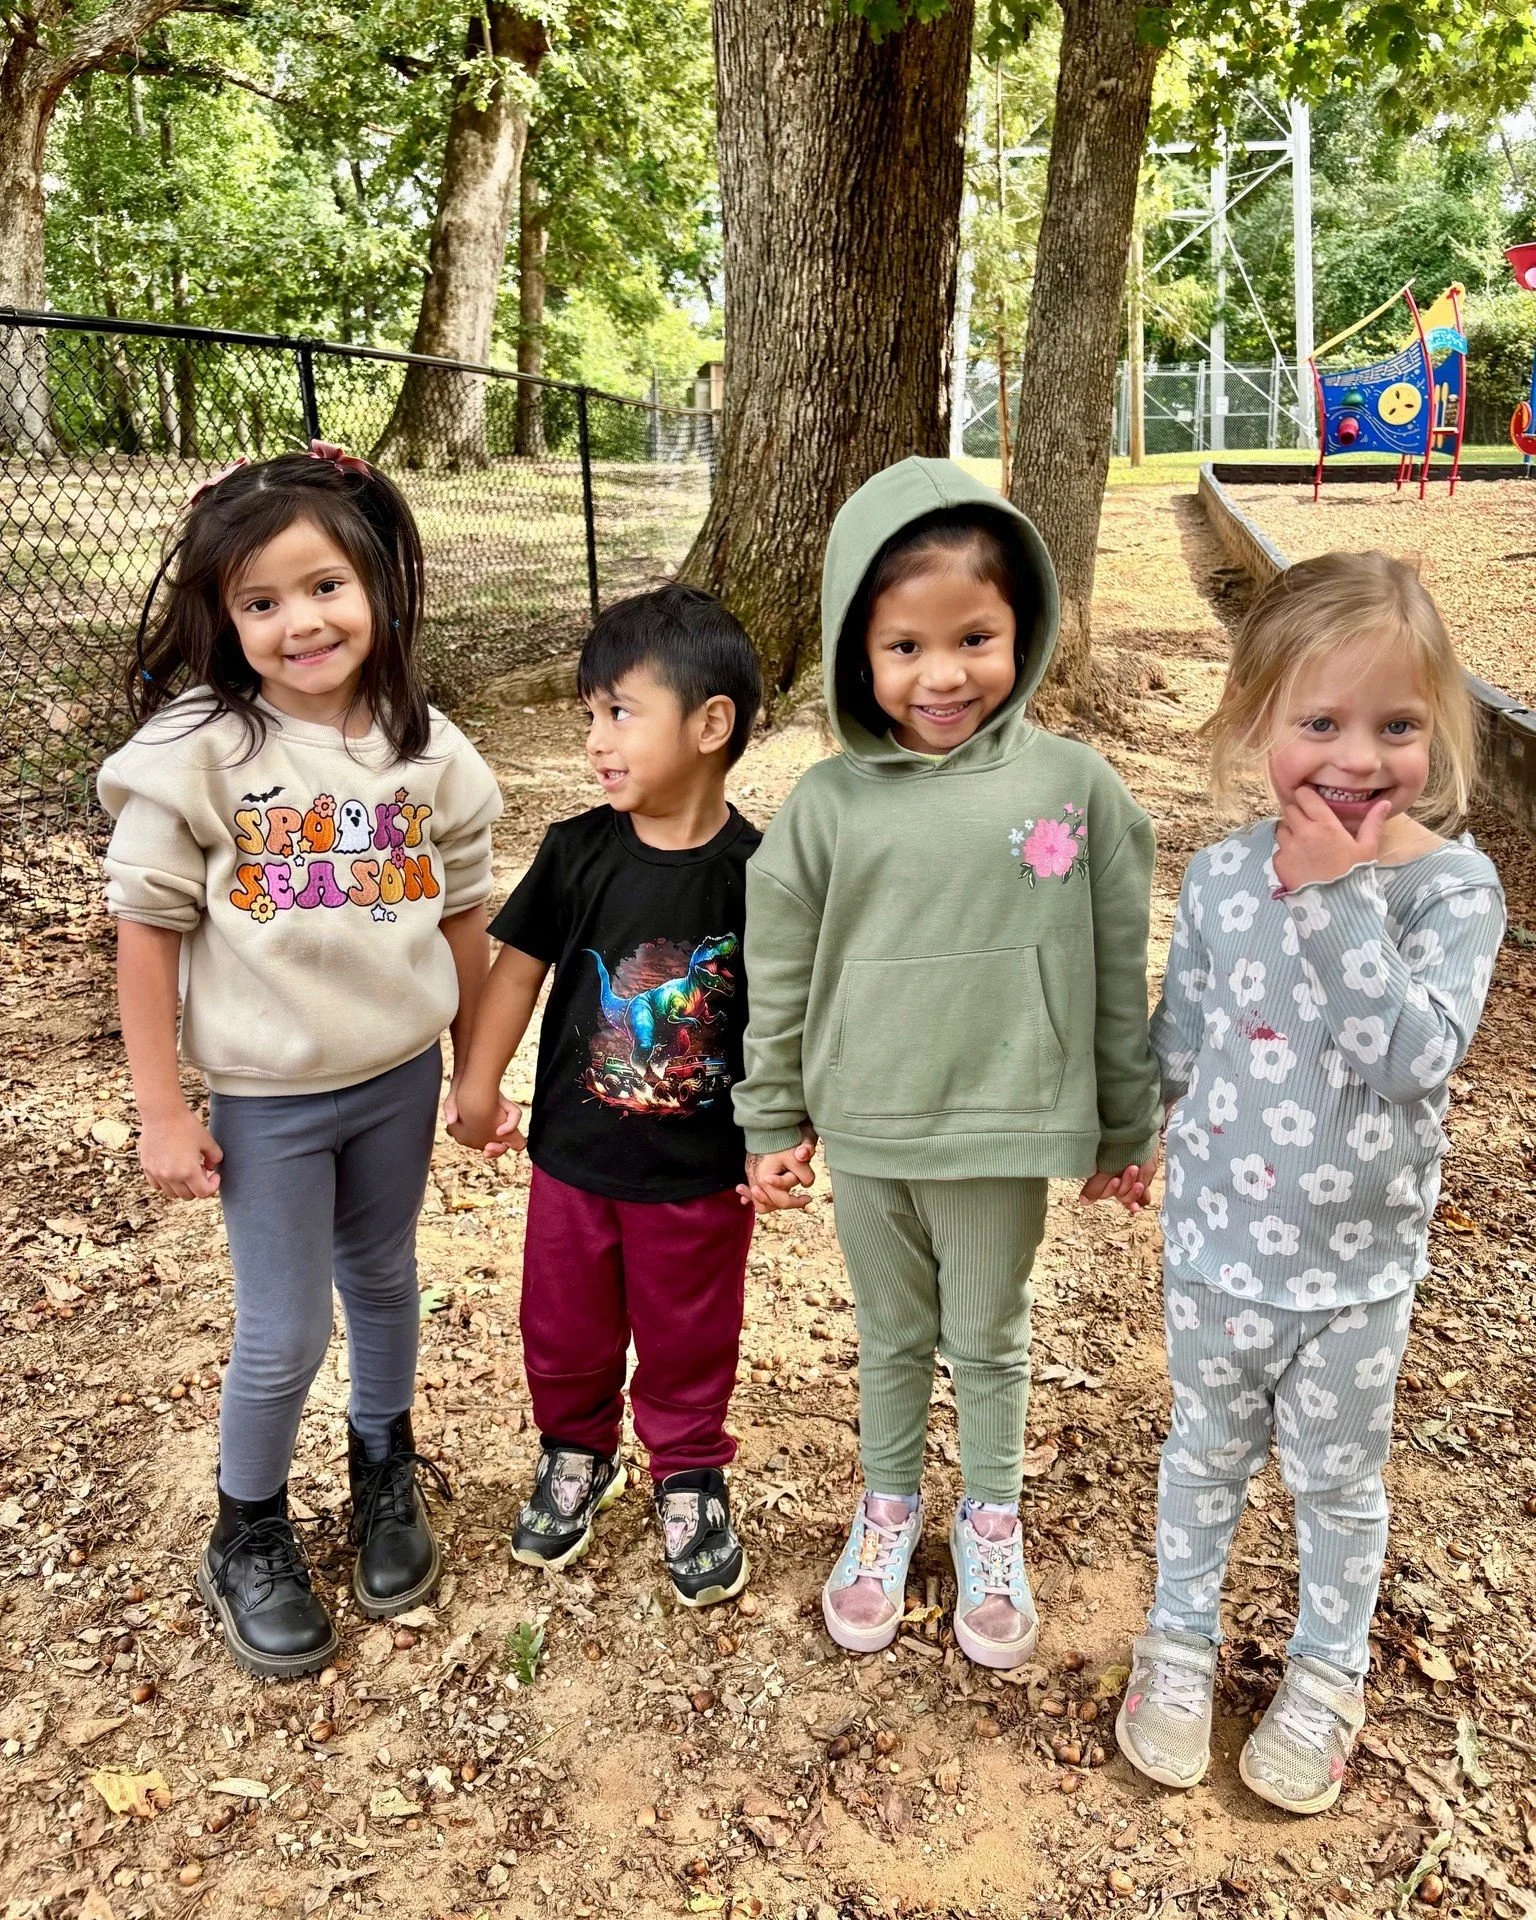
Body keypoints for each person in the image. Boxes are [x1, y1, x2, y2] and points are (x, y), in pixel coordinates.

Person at [734, 457, 1161, 1668]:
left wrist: (1125, 1124)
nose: (942, 674)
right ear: (855, 654)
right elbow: (777, 974)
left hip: (1000, 1126)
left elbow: (1113, 954)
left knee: (990, 1333)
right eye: (905, 646)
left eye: (975, 637)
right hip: (869, 1126)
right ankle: (886, 1510)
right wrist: (771, 1120)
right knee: (890, 1334)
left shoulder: (1073, 787)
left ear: (1020, 628)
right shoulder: (826, 806)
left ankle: (990, 1515)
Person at [99, 446, 502, 1678]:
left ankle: (385, 1469)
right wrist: (163, 1109)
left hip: (396, 1081)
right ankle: (249, 1528)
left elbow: (466, 918)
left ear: (377, 585)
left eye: (322, 586)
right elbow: (148, 936)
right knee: (283, 1331)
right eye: (259, 602)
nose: (298, 622)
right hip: (270, 1103)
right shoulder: (202, 751)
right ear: (225, 619)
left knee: (382, 1280)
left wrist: (477, 1070)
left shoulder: (426, 750)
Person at [1117, 550, 1503, 1814]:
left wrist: (1341, 901)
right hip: (1217, 1249)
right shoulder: (1225, 875)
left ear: (1438, 732)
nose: (1356, 758)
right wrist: (1143, 1125)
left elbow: (1417, 1058)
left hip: (1358, 1271)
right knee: (1204, 1452)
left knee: (1336, 1481)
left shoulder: (1449, 888)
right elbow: (1188, 1023)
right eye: (1319, 722)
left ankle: (1328, 1671)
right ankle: (1177, 1645)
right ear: (1256, 722)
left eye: (1396, 725)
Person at [450, 585, 764, 1606]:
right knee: (564, 1325)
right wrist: (477, 1079)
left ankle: (687, 1470)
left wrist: (783, 1131)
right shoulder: (577, 850)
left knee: (689, 1332)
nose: (596, 739)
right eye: (591, 714)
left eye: (620, 712)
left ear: (710, 724)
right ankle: (575, 1451)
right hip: (572, 1162)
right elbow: (517, 972)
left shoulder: (761, 874)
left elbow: (788, 1015)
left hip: (699, 1176)